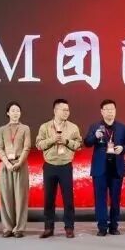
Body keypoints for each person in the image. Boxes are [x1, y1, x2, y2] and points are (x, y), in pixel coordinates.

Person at [85, 99, 125, 236]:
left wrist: (122, 148)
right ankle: (102, 227)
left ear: (115, 111)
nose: (110, 112)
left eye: (112, 109)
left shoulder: (123, 127)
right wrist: (95, 136)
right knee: (100, 199)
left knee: (115, 199)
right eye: (107, 109)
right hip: (100, 168)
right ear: (102, 111)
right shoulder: (95, 126)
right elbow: (87, 143)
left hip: (116, 167)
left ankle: (114, 226)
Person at [36, 98, 83, 238]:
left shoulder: (73, 127)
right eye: (64, 110)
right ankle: (48, 228)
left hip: (65, 166)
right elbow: (38, 145)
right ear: (55, 110)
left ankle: (69, 227)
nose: (67, 112)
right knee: (48, 198)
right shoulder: (45, 127)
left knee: (68, 199)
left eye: (68, 110)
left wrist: (66, 141)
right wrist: (52, 140)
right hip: (49, 166)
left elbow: (79, 145)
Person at [0, 101, 32, 238]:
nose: (15, 113)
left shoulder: (25, 128)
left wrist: (19, 162)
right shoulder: (2, 129)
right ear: (8, 113)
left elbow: (27, 147)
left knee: (21, 197)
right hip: (5, 166)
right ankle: (7, 228)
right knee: (5, 197)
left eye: (17, 110)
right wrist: (7, 163)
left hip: (20, 165)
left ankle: (19, 228)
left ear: (20, 113)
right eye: (13, 110)